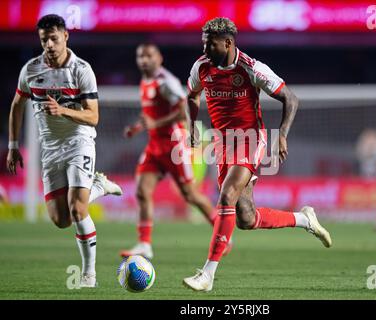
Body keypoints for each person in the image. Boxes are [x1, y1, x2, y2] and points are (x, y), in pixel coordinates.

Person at [182, 17, 332, 292]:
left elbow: (290, 98)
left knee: (226, 196)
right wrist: (192, 127)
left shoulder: (252, 68)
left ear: (227, 43)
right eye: (203, 43)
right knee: (245, 217)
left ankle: (207, 275)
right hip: (223, 144)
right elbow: (191, 96)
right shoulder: (201, 67)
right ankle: (304, 219)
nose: (205, 49)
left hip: (250, 139)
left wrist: (282, 134)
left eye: (210, 44)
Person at [6, 14, 122, 288]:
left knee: (78, 209)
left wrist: (63, 111)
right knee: (61, 220)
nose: (48, 44)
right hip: (50, 149)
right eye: (44, 39)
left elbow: (93, 117)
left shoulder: (81, 70)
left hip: (78, 142)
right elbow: (16, 107)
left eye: (54, 38)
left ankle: (88, 275)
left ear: (65, 37)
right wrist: (13, 146)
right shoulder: (31, 70)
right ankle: (99, 185)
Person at [119, 43, 231, 259]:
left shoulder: (166, 82)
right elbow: (152, 116)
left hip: (174, 145)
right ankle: (144, 243)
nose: (144, 60)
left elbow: (183, 111)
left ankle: (224, 235)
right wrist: (138, 127)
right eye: (140, 56)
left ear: (159, 58)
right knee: (142, 191)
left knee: (190, 194)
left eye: (148, 56)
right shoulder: (145, 81)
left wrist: (156, 123)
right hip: (154, 146)